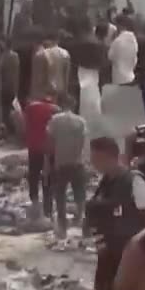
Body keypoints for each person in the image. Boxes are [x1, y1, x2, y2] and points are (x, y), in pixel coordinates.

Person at [86, 135, 145, 290]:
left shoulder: (133, 180)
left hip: (129, 251)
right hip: (108, 251)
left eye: (95, 159)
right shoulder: (106, 183)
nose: (93, 163)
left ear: (108, 157)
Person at [46, 98, 88, 239]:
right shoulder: (81, 121)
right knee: (80, 194)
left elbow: (50, 142)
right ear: (74, 105)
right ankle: (80, 221)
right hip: (77, 162)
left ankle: (62, 226)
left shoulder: (55, 120)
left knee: (60, 195)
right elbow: (82, 142)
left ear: (62, 105)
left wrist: (48, 162)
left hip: (61, 162)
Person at [22, 94, 58, 220]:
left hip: (33, 146)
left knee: (34, 174)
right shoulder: (55, 109)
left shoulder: (30, 108)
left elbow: (25, 124)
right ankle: (48, 208)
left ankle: (35, 201)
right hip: (48, 148)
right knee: (48, 177)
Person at [31, 32, 70, 103]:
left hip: (43, 93)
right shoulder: (65, 54)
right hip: (60, 93)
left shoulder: (40, 54)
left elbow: (37, 78)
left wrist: (34, 97)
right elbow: (66, 76)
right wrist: (65, 93)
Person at [107, 16, 139, 86]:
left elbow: (110, 56)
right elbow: (135, 58)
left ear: (120, 25)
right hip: (131, 76)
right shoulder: (134, 40)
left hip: (119, 77)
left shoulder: (117, 41)